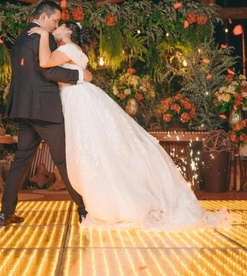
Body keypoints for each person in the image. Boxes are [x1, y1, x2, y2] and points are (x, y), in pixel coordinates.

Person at [28, 22, 231, 230]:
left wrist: (44, 34)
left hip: (76, 100)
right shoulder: (75, 50)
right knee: (96, 147)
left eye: (61, 26)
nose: (57, 27)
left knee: (91, 148)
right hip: (79, 98)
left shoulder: (66, 49)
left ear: (69, 31)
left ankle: (114, 203)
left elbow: (45, 62)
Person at [0, 1, 91, 227]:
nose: (55, 24)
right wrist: (80, 76)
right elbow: (48, 72)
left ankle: (5, 214)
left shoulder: (20, 38)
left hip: (23, 108)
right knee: (63, 160)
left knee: (21, 161)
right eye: (55, 20)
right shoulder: (44, 38)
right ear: (43, 17)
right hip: (45, 109)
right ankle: (84, 210)